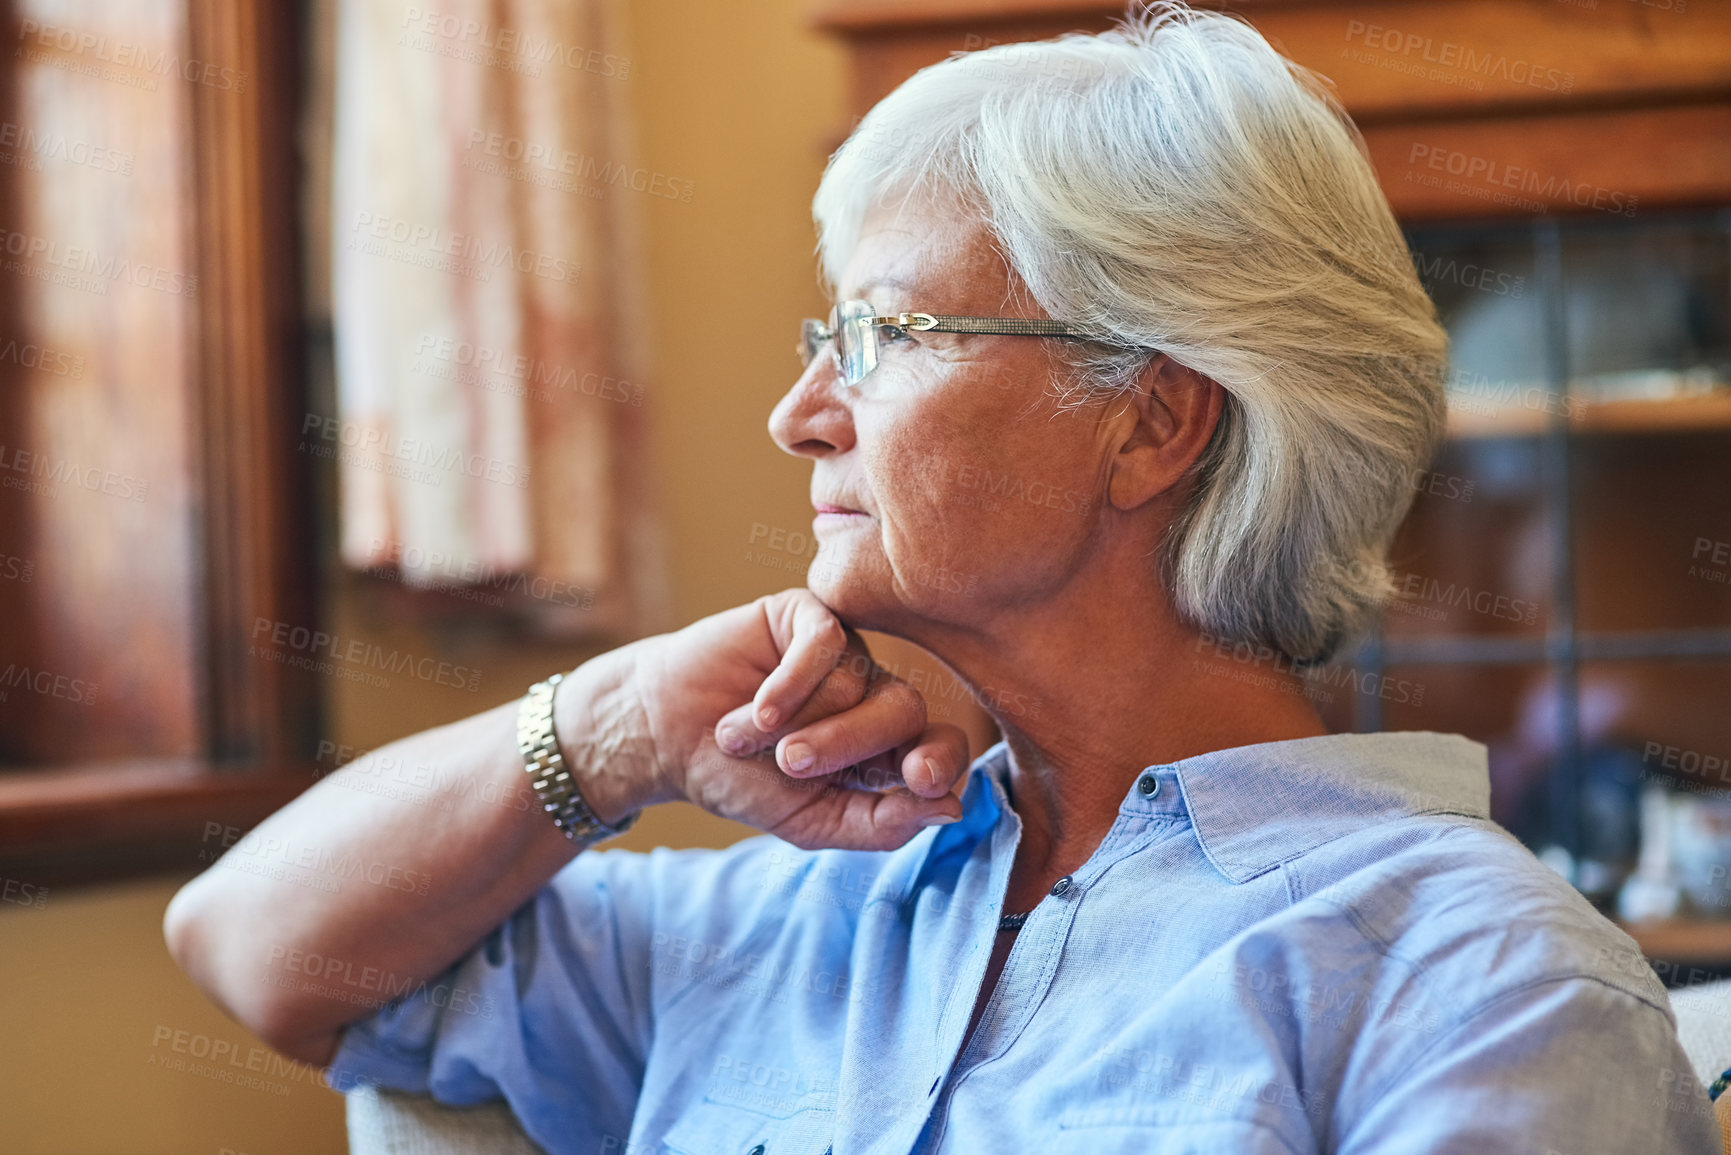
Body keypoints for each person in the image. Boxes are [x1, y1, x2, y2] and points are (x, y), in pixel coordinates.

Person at [165, 5, 1720, 1152]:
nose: (801, 415)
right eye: (819, 340)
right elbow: (251, 950)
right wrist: (622, 721)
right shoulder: (802, 903)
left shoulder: (1477, 977)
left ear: (1155, 419)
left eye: (886, 336)